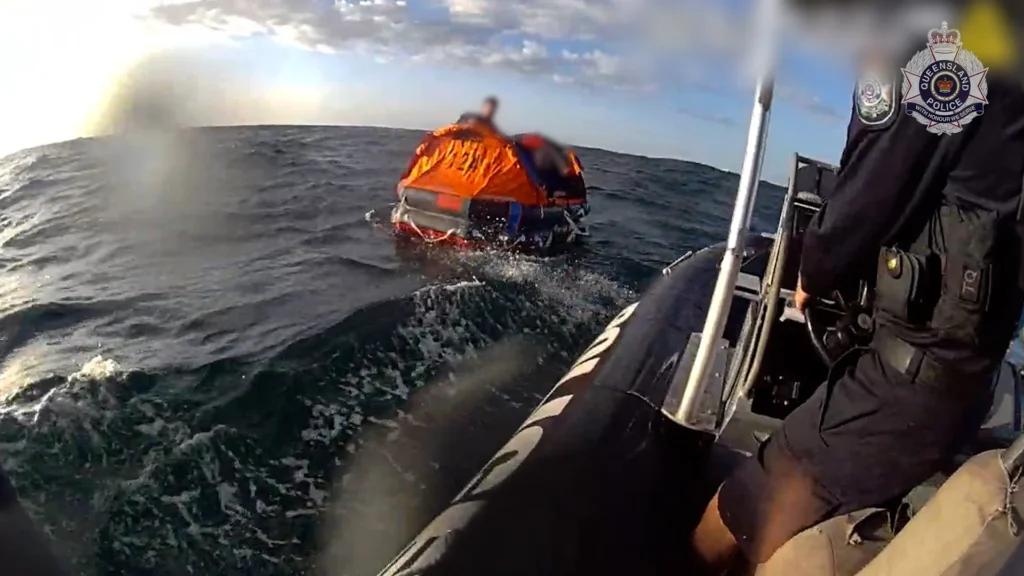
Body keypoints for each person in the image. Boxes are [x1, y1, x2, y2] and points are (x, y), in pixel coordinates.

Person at [690, 41, 1024, 574]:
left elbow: (873, 185)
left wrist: (814, 271)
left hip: (911, 375)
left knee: (734, 514)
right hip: (963, 372)